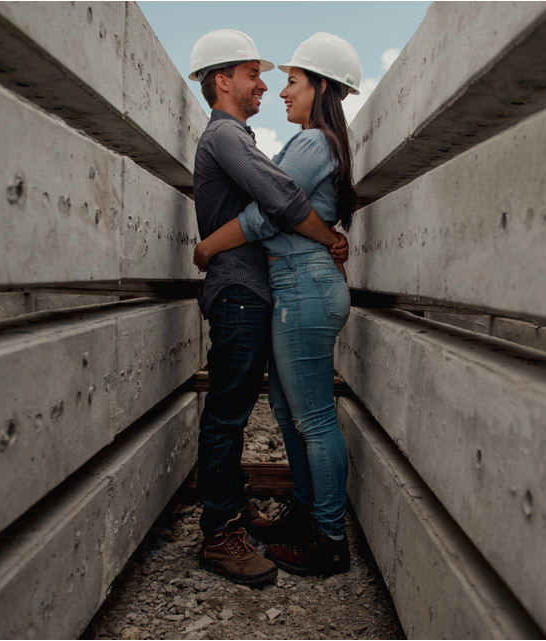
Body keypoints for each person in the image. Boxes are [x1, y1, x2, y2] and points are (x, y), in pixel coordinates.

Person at [193, 32, 361, 577]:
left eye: (291, 81)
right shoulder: (252, 139)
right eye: (261, 76)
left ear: (321, 88)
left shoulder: (312, 143)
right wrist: (326, 235)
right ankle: (303, 516)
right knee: (285, 413)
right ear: (224, 80)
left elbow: (277, 210)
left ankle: (328, 536)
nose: (278, 89)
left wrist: (209, 244)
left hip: (299, 284)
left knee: (307, 417)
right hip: (285, 282)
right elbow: (280, 205)